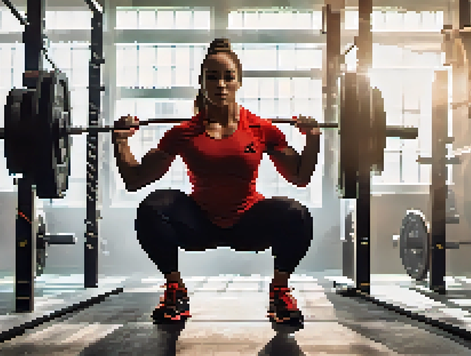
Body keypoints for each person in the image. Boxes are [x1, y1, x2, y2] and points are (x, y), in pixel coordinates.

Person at [112, 38, 320, 330]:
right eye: (212, 77)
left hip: (248, 222)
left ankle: (280, 292)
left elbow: (300, 177)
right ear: (201, 82)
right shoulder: (183, 133)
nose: (220, 84)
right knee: (152, 207)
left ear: (239, 81)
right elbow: (135, 180)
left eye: (228, 77)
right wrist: (121, 142)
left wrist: (312, 139)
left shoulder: (261, 129)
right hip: (199, 223)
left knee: (296, 214)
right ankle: (175, 290)